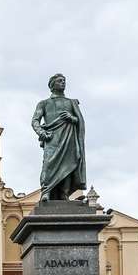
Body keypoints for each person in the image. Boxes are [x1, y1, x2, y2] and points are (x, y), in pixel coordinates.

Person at [31, 73, 87, 201]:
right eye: (60, 81)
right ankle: (46, 192)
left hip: (69, 138)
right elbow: (35, 121)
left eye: (64, 81)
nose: (63, 82)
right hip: (52, 139)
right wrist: (42, 133)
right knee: (48, 164)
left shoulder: (71, 102)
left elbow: (80, 121)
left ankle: (64, 194)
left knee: (68, 164)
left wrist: (71, 118)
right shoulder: (44, 103)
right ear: (52, 85)